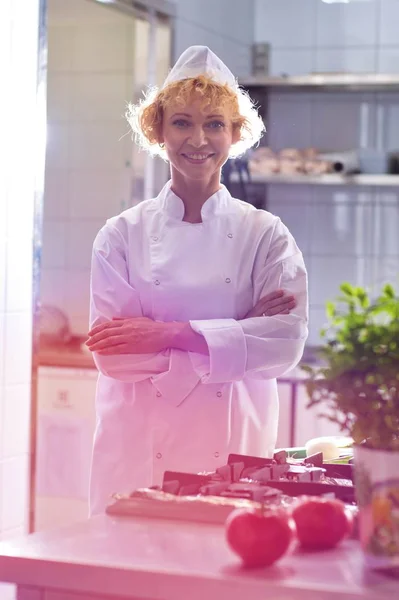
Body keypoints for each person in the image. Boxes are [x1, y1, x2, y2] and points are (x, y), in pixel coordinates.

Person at [86, 46, 308, 516]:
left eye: (215, 123)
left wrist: (166, 333)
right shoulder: (121, 235)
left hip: (233, 453)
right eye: (182, 122)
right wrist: (237, 334)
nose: (198, 138)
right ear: (159, 130)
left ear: (234, 133)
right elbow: (115, 357)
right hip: (137, 451)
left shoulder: (266, 235)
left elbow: (284, 346)